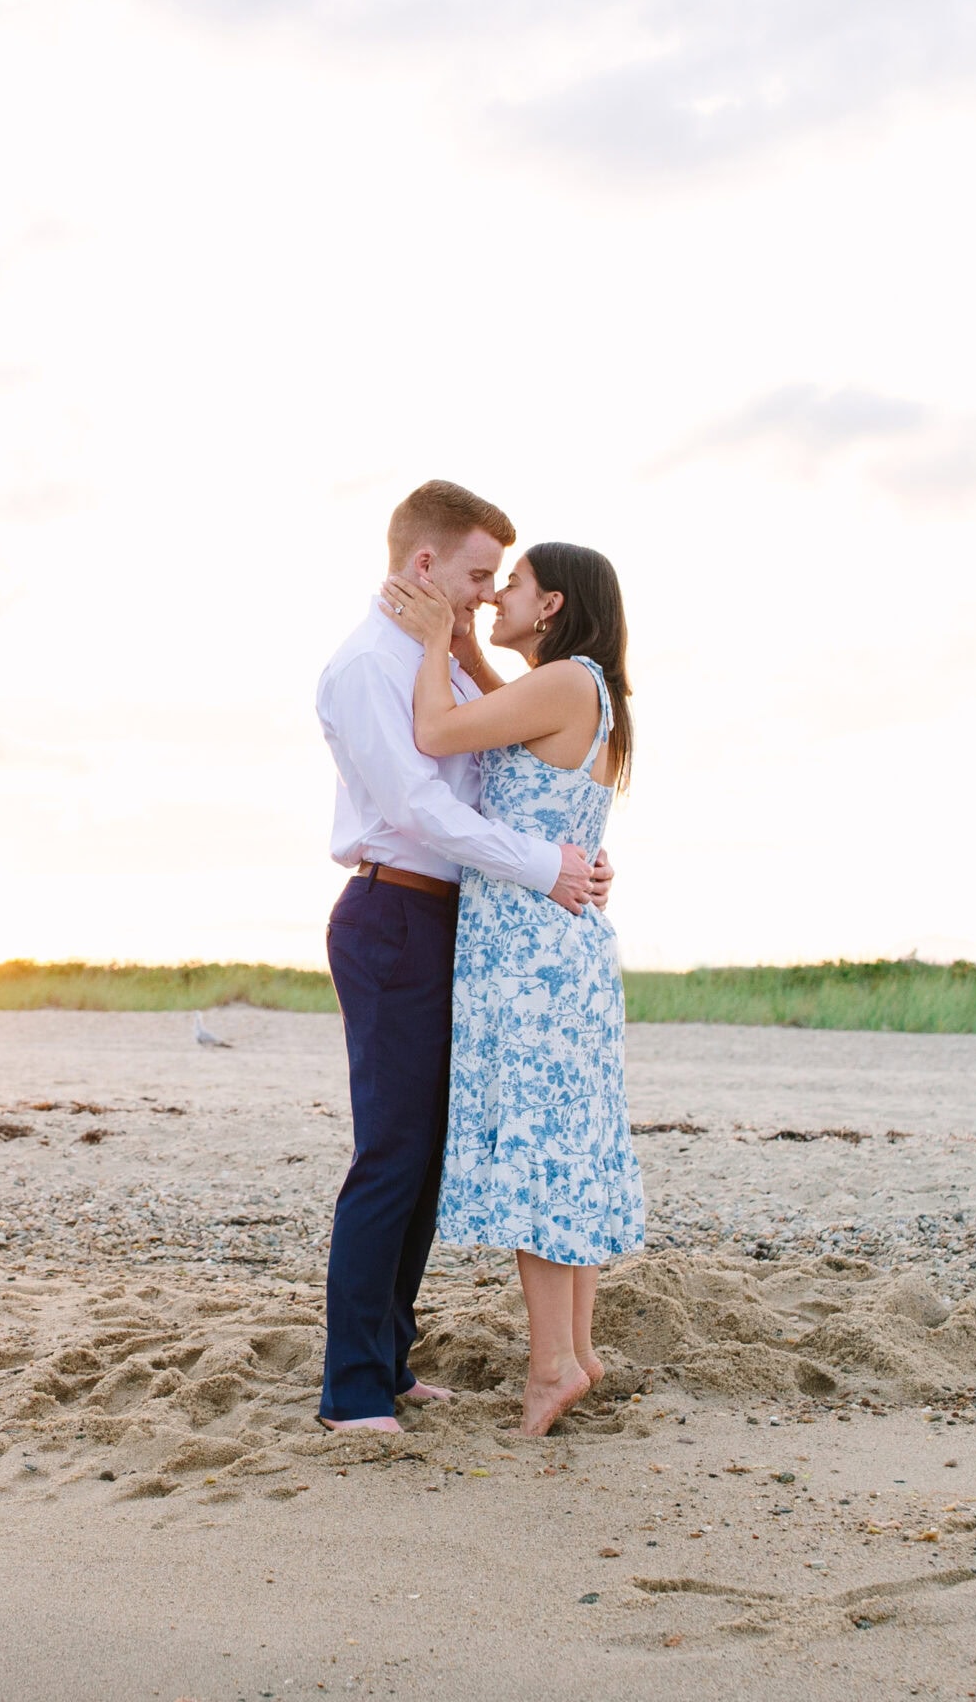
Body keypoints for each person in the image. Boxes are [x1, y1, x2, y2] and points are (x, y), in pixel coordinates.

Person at [311, 481, 612, 1434]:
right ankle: (352, 1393)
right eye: (479, 574)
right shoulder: (368, 665)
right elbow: (418, 808)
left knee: (429, 1160)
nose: (487, 593)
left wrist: (561, 849)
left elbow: (520, 757)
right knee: (391, 1157)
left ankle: (390, 1361)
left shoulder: (443, 659)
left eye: (500, 579)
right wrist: (546, 866)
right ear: (425, 564)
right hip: (393, 914)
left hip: (460, 923)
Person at [380, 540, 642, 1437]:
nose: (496, 601)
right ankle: (575, 1351)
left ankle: (551, 1367)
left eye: (513, 587)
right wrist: (461, 650)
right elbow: (505, 716)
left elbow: (437, 734)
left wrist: (427, 646)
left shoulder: (568, 681)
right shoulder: (584, 688)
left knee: (539, 1156)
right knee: (565, 1150)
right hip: (554, 948)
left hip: (529, 954)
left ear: (555, 603)